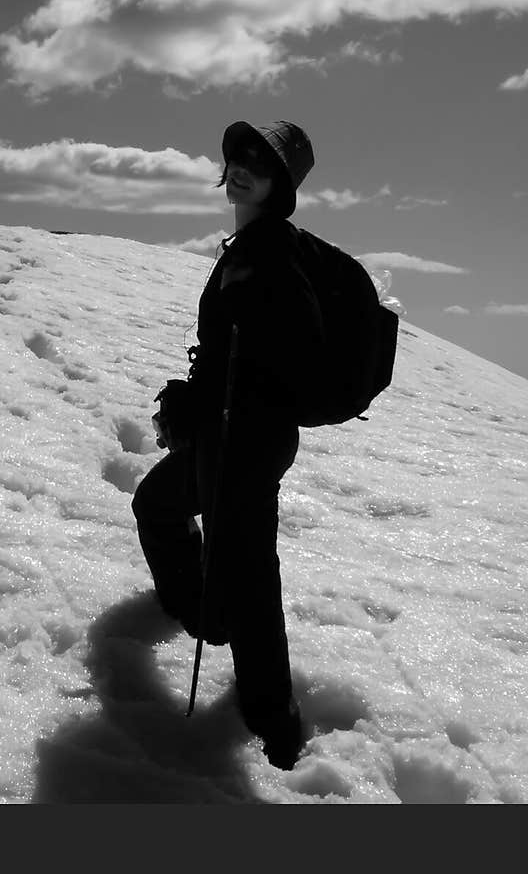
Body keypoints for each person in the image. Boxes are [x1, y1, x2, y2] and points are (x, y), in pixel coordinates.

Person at [132, 120, 322, 771]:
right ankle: (208, 613)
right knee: (163, 505)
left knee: (248, 572)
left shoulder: (272, 252)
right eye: (237, 156)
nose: (240, 167)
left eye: (259, 163)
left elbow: (292, 349)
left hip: (247, 440)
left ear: (281, 185)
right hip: (229, 434)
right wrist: (197, 393)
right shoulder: (247, 245)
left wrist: (223, 394)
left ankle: (276, 724)